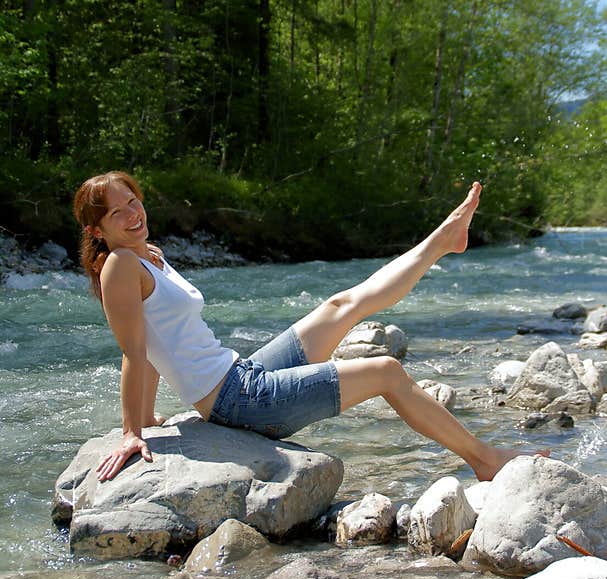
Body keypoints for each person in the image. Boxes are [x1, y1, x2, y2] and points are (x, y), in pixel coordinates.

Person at [73, 171, 546, 485]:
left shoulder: (146, 254)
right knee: (385, 370)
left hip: (241, 377)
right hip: (239, 403)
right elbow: (134, 352)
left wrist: (155, 418)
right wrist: (133, 430)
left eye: (133, 202)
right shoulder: (118, 266)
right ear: (97, 230)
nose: (133, 215)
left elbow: (156, 340)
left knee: (340, 305)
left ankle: (443, 240)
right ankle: (484, 460)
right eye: (117, 213)